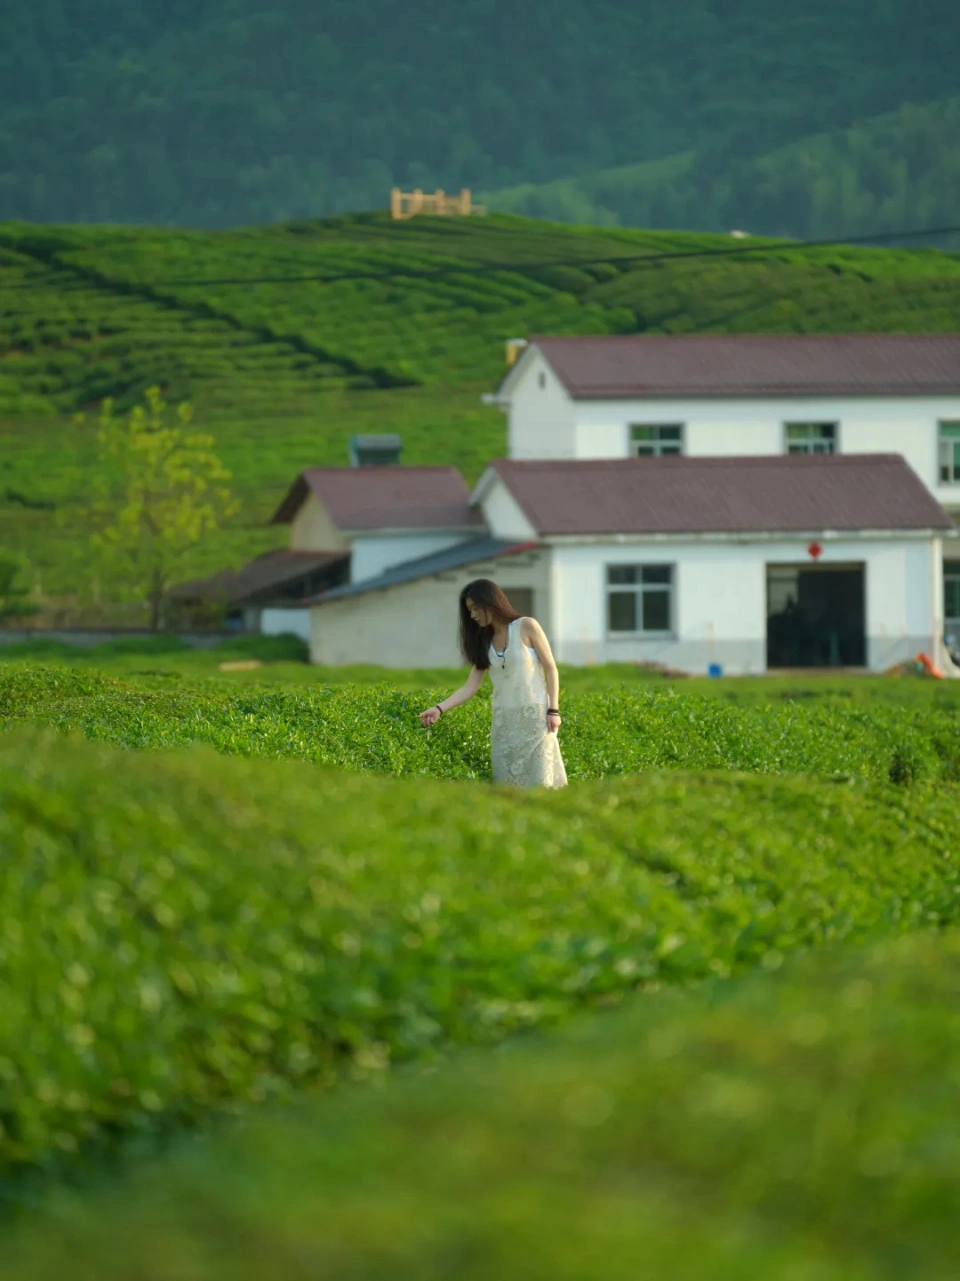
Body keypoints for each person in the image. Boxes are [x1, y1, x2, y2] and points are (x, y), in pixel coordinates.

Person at [418, 579, 567, 788]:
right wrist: (439, 709)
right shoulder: (484, 641)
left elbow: (551, 668)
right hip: (504, 724)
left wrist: (554, 710)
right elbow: (470, 686)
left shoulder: (526, 626)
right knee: (508, 788)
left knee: (540, 784)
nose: (472, 615)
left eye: (475, 608)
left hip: (536, 719)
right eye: (469, 610)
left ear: (490, 602)